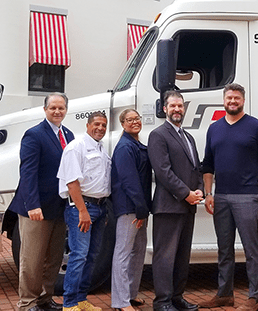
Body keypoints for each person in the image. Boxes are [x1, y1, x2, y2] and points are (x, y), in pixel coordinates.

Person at [201, 83, 258, 311]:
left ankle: (255, 298)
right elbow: (208, 163)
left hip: (247, 197)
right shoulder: (214, 128)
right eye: (229, 98)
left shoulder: (256, 127)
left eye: (237, 98)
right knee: (224, 249)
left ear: (243, 100)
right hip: (220, 197)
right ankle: (224, 295)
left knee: (252, 250)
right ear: (224, 100)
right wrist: (208, 193)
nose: (232, 101)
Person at [8, 93, 74, 311]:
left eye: (61, 108)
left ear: (66, 110)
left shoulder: (68, 135)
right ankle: (27, 303)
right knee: (32, 259)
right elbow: (27, 173)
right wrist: (32, 205)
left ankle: (45, 299)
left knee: (53, 259)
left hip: (59, 208)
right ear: (45, 109)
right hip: (35, 209)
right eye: (53, 108)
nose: (57, 111)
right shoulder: (34, 135)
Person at [147, 90, 203, 311]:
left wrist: (198, 190)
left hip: (188, 207)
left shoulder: (188, 137)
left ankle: (177, 297)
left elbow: (195, 168)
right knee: (165, 257)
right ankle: (162, 301)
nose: (177, 109)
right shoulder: (158, 135)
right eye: (173, 106)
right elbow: (163, 171)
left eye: (180, 106)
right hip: (168, 206)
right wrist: (186, 194)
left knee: (181, 257)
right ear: (164, 109)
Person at [57, 111, 111, 311]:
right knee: (79, 255)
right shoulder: (76, 147)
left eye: (104, 125)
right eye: (96, 124)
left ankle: (81, 299)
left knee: (92, 256)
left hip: (99, 207)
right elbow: (72, 183)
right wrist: (82, 211)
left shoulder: (102, 149)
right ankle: (69, 303)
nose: (100, 128)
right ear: (87, 126)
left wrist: (101, 210)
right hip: (82, 207)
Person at [111, 109, 152, 311]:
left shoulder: (136, 145)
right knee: (124, 253)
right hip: (130, 209)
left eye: (137, 118)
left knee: (137, 252)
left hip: (139, 208)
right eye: (130, 120)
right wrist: (140, 207)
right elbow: (129, 181)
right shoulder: (125, 147)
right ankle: (120, 301)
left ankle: (130, 295)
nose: (134, 122)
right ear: (123, 124)